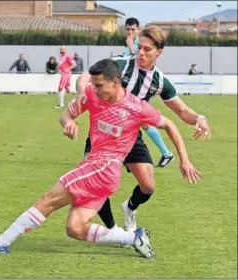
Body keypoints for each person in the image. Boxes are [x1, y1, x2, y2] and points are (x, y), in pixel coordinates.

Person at [0, 59, 201, 259]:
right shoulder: (90, 94)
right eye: (94, 85)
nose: (96, 89)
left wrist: (184, 159)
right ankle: (132, 237)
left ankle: (0, 243)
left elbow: (169, 123)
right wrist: (69, 122)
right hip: (95, 167)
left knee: (48, 199)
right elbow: (65, 114)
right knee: (75, 228)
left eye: (100, 86)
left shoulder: (136, 107)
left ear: (116, 82)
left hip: (104, 168)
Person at [75, 25, 211, 234]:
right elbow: (85, 76)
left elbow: (182, 111)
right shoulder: (120, 65)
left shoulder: (159, 81)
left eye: (147, 49)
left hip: (130, 136)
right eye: (139, 47)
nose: (141, 53)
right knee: (97, 187)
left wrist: (199, 118)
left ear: (159, 52)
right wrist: (79, 94)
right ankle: (114, 230)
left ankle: (129, 208)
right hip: (103, 134)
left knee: (148, 187)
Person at [123, 18, 174, 168]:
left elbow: (136, 61)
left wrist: (131, 46)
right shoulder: (131, 44)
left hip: (138, 92)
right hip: (127, 93)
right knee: (142, 124)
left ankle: (166, 153)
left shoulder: (140, 44)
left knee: (144, 124)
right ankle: (165, 153)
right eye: (128, 30)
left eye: (133, 29)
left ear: (138, 30)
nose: (130, 32)